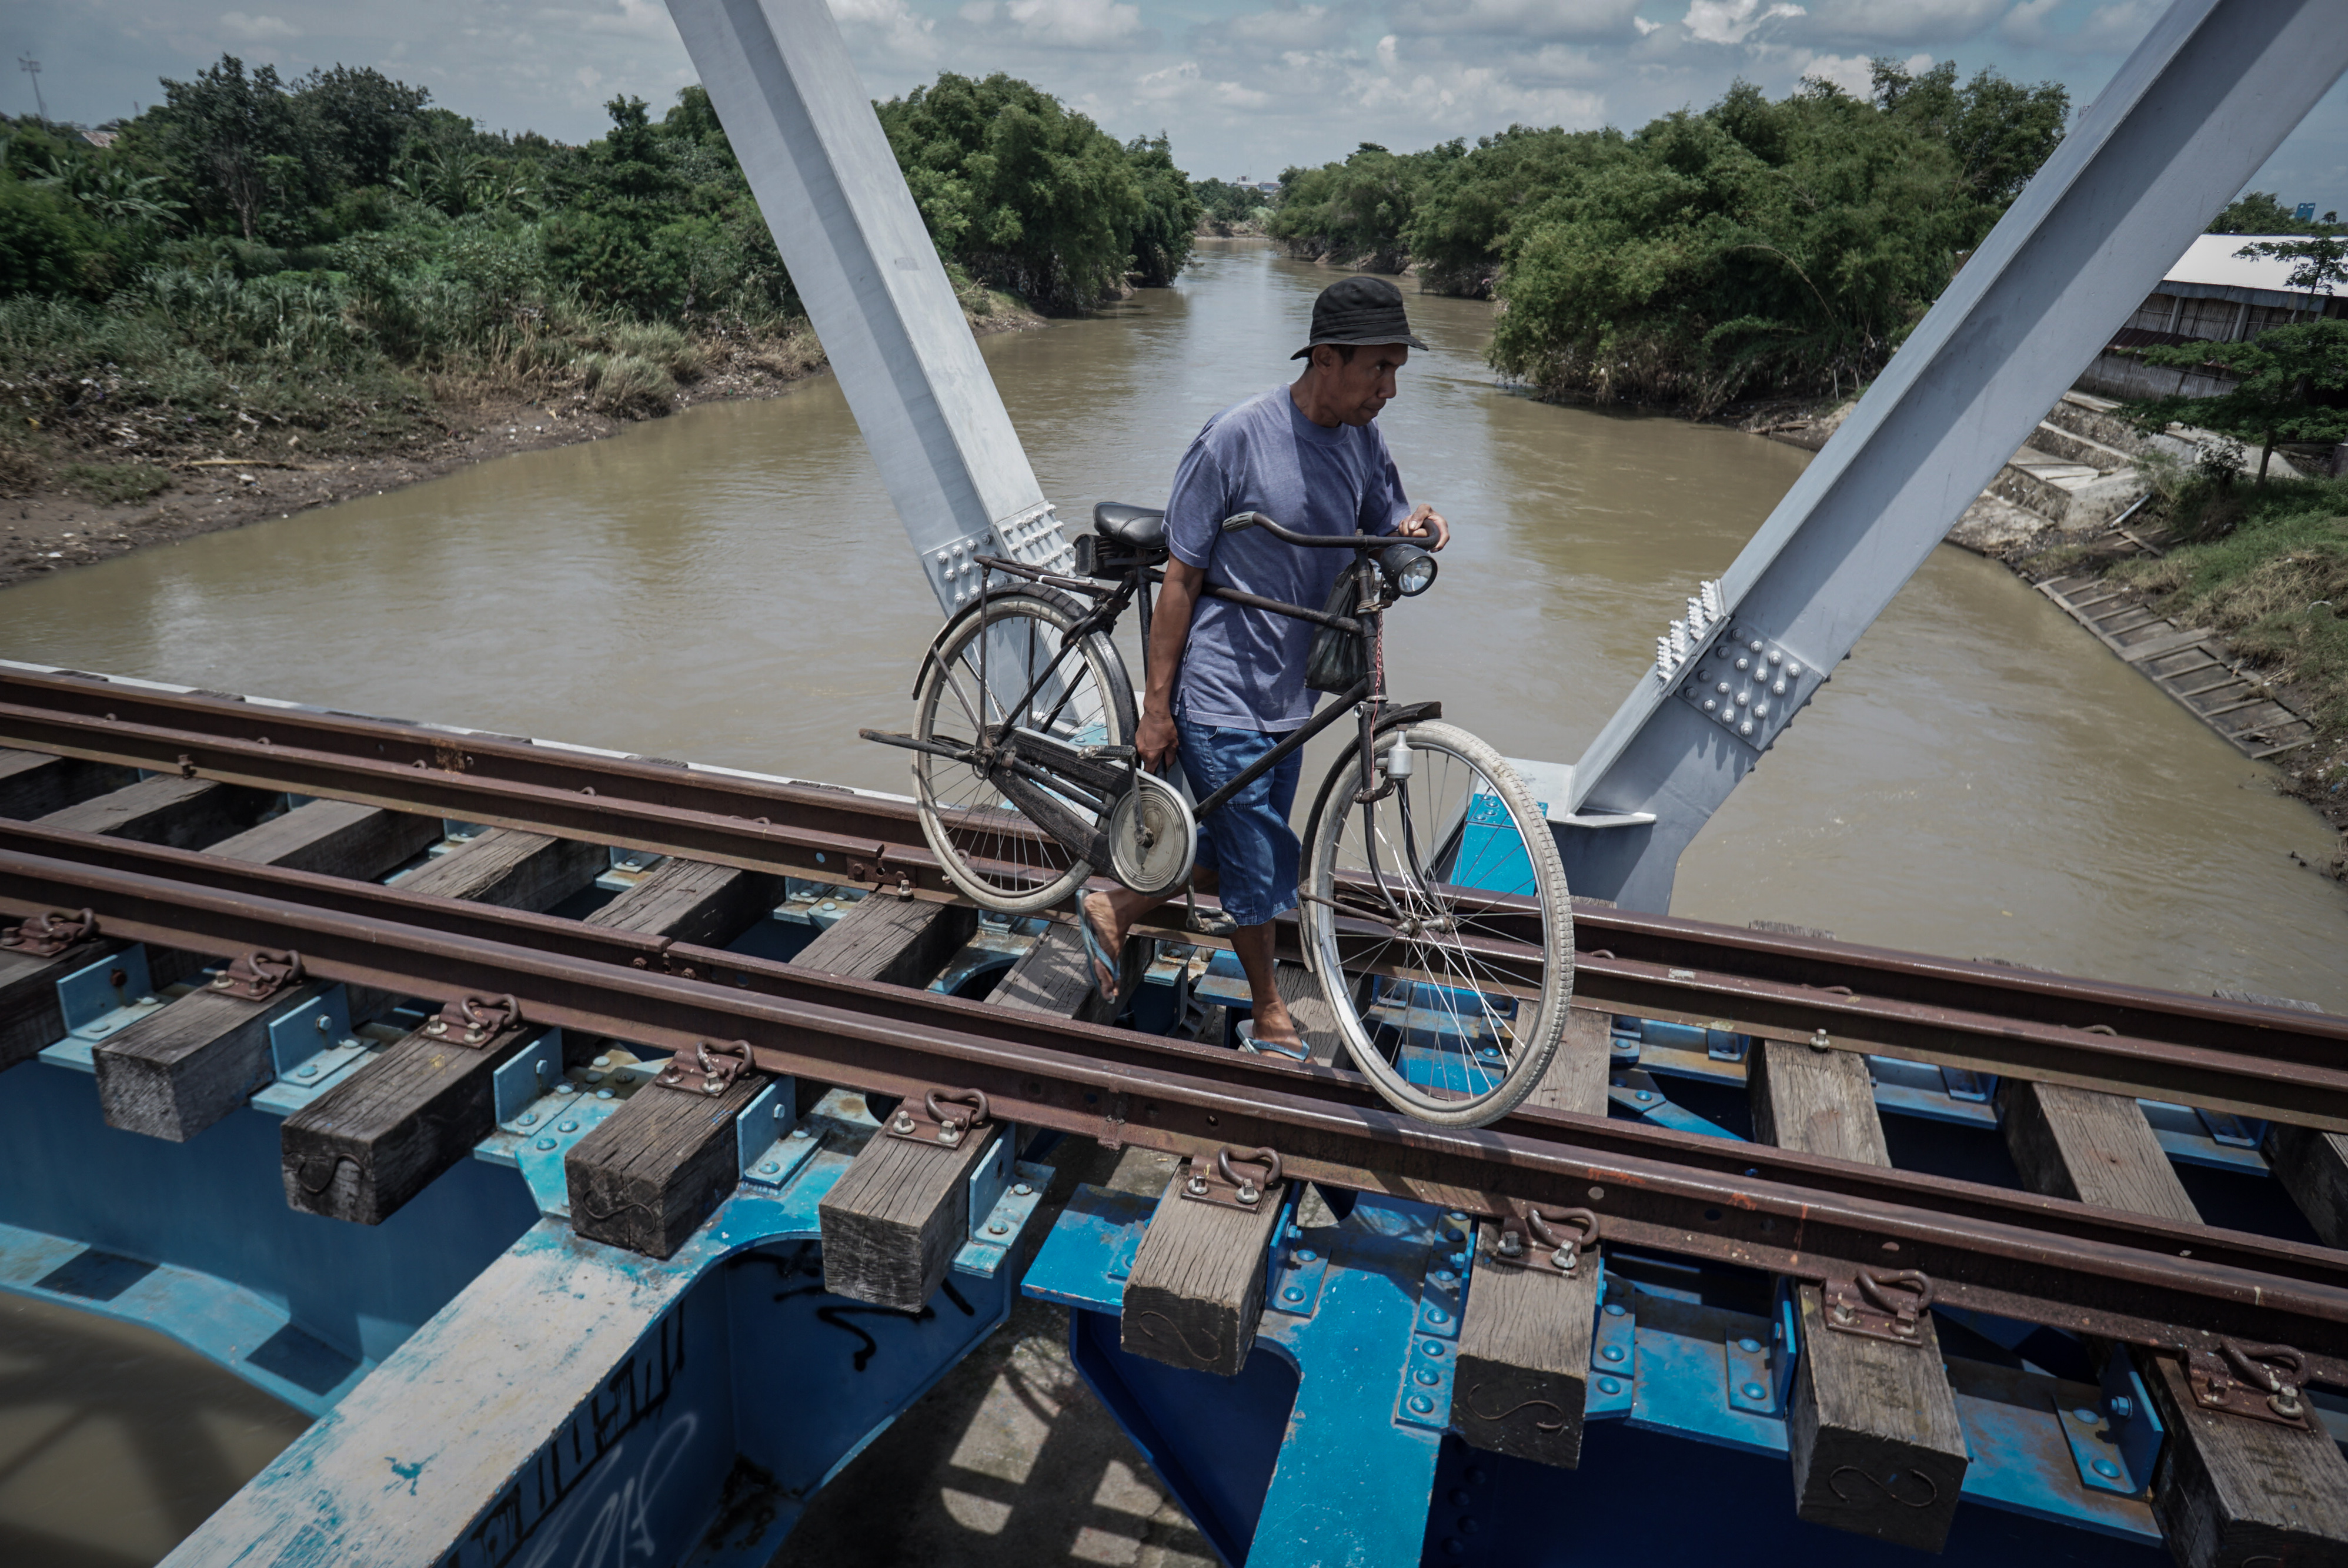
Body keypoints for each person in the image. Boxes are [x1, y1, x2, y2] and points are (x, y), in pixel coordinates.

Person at [1078, 276, 1449, 1057]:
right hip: (1221, 687)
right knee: (1255, 860)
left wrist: (1416, 524)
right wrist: (1156, 707)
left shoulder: (1361, 440)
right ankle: (1271, 1011)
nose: (1387, 389)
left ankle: (1113, 908)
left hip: (1291, 691)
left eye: (1395, 371)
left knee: (1224, 850)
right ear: (1325, 357)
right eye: (1376, 369)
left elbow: (1384, 523)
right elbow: (1180, 578)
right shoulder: (1235, 438)